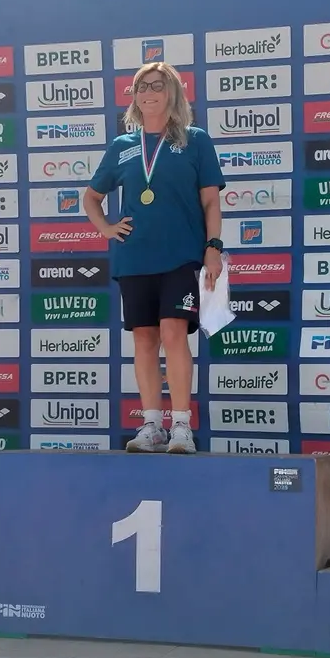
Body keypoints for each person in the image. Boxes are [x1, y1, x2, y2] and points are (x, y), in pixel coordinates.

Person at [84, 62, 225, 454]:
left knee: (174, 332)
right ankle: (151, 424)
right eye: (141, 86)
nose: (148, 93)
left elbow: (211, 201)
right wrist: (107, 228)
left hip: (181, 255)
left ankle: (181, 425)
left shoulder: (196, 141)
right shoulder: (122, 146)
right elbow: (91, 197)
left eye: (157, 85)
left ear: (173, 92)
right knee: (144, 339)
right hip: (135, 258)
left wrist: (214, 246)